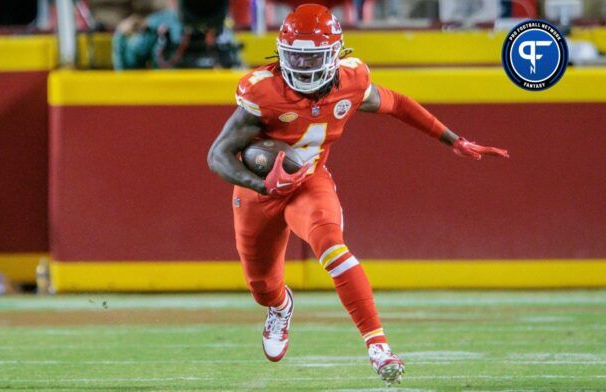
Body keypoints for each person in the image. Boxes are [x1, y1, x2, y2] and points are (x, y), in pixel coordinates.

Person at [207, 3, 509, 386]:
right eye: (295, 55)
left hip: (309, 183)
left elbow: (397, 103)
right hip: (258, 191)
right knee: (262, 287)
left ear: (334, 55)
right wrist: (261, 183)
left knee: (332, 245)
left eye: (310, 56)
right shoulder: (263, 91)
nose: (301, 64)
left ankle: (378, 345)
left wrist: (455, 140)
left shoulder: (351, 81)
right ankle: (280, 307)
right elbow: (217, 154)